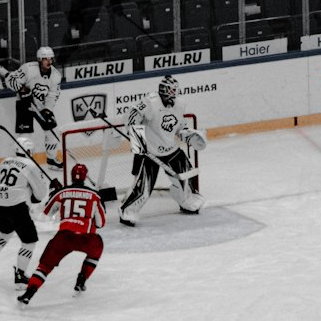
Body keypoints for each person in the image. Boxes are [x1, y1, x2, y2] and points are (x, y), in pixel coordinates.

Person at [120, 75, 206, 226]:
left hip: (171, 149)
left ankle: (185, 201)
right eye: (171, 90)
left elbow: (179, 126)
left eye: (175, 90)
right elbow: (131, 117)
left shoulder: (180, 104)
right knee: (143, 188)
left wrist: (189, 136)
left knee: (185, 178)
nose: (174, 93)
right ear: (163, 90)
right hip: (149, 151)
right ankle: (127, 211)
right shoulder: (150, 102)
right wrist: (139, 144)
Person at [17, 163, 107, 303]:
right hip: (87, 238)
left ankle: (29, 293)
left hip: (64, 237)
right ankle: (81, 280)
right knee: (97, 247)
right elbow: (101, 224)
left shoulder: (61, 193)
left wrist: (54, 192)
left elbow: (43, 215)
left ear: (71, 176)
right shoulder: (95, 195)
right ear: (85, 177)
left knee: (45, 266)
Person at [0, 153, 50, 286]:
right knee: (29, 241)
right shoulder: (30, 165)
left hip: (0, 206)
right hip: (17, 207)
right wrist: (34, 198)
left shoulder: (5, 161)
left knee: (4, 233)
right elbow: (40, 193)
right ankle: (20, 276)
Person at [0, 44, 62, 168]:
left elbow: (52, 94)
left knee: (52, 130)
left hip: (41, 105)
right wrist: (21, 89)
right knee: (25, 135)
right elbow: (11, 80)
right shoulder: (28, 69)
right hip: (24, 102)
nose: (49, 61)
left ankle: (51, 159)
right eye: (46, 59)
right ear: (40, 60)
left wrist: (47, 110)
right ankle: (23, 163)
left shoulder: (56, 75)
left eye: (51, 59)